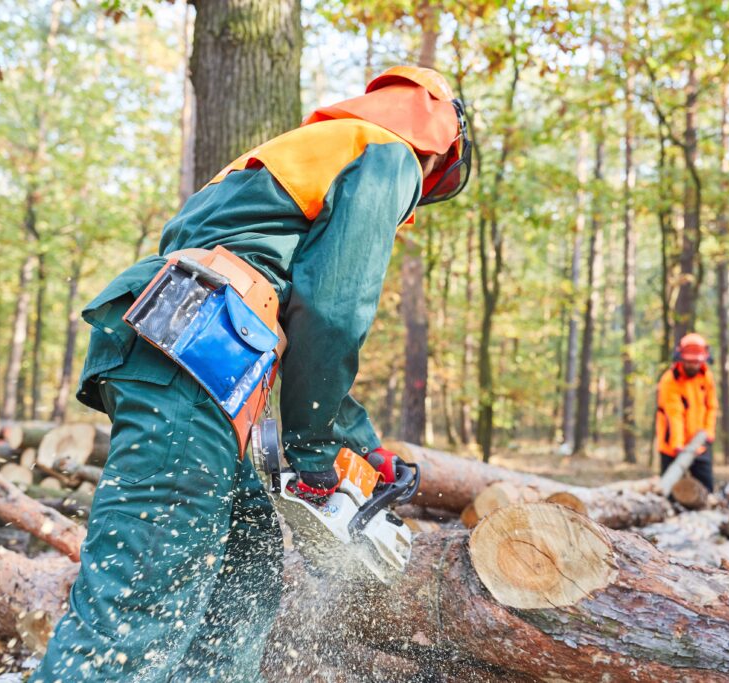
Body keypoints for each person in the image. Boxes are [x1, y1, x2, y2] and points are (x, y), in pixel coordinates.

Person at [33, 65, 471, 682]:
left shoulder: (306, 156)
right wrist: (313, 452)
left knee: (248, 562)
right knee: (137, 605)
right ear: (439, 140)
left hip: (188, 357)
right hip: (194, 364)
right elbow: (333, 309)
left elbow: (302, 311)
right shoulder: (388, 153)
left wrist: (358, 444)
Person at [655, 332, 718, 492]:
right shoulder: (670, 380)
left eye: (696, 362)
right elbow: (673, 413)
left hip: (699, 444)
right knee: (669, 492)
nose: (693, 366)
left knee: (706, 490)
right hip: (672, 446)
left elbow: (712, 406)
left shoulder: (706, 377)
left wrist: (708, 431)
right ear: (681, 358)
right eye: (689, 362)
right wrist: (677, 443)